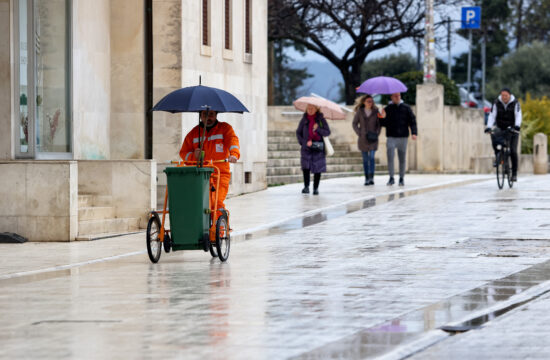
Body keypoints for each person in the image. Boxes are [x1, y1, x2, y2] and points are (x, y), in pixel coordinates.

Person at [179, 109, 240, 211]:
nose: (208, 118)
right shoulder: (194, 133)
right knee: (200, 204)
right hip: (200, 175)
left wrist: (234, 154)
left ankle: (220, 226)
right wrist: (194, 156)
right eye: (205, 114)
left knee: (215, 201)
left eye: (211, 114)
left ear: (216, 115)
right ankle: (208, 226)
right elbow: (183, 153)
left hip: (220, 174)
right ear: (200, 116)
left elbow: (233, 141)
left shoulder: (225, 128)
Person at [380, 92, 417, 186]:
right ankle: (391, 177)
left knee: (402, 158)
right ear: (391, 97)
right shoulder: (387, 109)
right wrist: (381, 117)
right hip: (391, 137)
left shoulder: (406, 108)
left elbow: (412, 121)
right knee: (390, 156)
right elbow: (383, 124)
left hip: (403, 137)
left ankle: (401, 178)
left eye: (399, 96)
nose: (398, 97)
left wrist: (414, 133)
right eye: (395, 96)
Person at [485, 88, 522, 181]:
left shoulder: (515, 103)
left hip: (512, 128)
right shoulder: (497, 102)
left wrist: (517, 126)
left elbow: (518, 115)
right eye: (502, 95)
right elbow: (492, 115)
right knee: (493, 135)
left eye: (506, 95)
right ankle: (498, 155)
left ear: (509, 95)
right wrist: (489, 126)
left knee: (513, 151)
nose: (504, 97)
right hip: (501, 127)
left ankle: (514, 174)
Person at [296, 104, 331, 195]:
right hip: (306, 148)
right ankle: (306, 187)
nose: (310, 110)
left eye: (312, 108)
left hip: (318, 147)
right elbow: (298, 133)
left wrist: (318, 128)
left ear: (316, 109)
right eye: (308, 108)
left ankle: (316, 188)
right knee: (306, 167)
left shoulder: (321, 120)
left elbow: (327, 132)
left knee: (317, 168)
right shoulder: (304, 120)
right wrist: (304, 142)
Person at [352, 94, 385, 185]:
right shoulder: (360, 111)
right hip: (363, 139)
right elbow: (354, 124)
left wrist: (377, 133)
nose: (370, 103)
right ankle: (366, 178)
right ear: (364, 102)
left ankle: (371, 178)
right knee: (365, 159)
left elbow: (379, 124)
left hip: (373, 139)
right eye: (368, 101)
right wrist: (359, 133)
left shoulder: (376, 111)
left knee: (371, 158)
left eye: (371, 101)